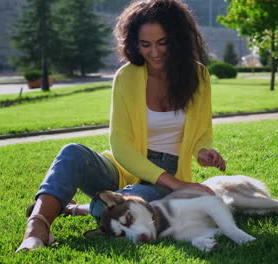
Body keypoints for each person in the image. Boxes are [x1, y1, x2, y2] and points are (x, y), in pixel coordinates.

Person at [16, 0, 226, 252]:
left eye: (163, 42)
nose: (155, 53)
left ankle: (73, 206)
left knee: (130, 204)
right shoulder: (127, 77)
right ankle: (37, 229)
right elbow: (120, 145)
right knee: (72, 153)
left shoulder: (199, 76)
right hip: (124, 168)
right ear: (134, 43)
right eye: (145, 44)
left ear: (178, 39)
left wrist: (203, 152)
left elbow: (202, 132)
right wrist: (178, 185)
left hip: (166, 177)